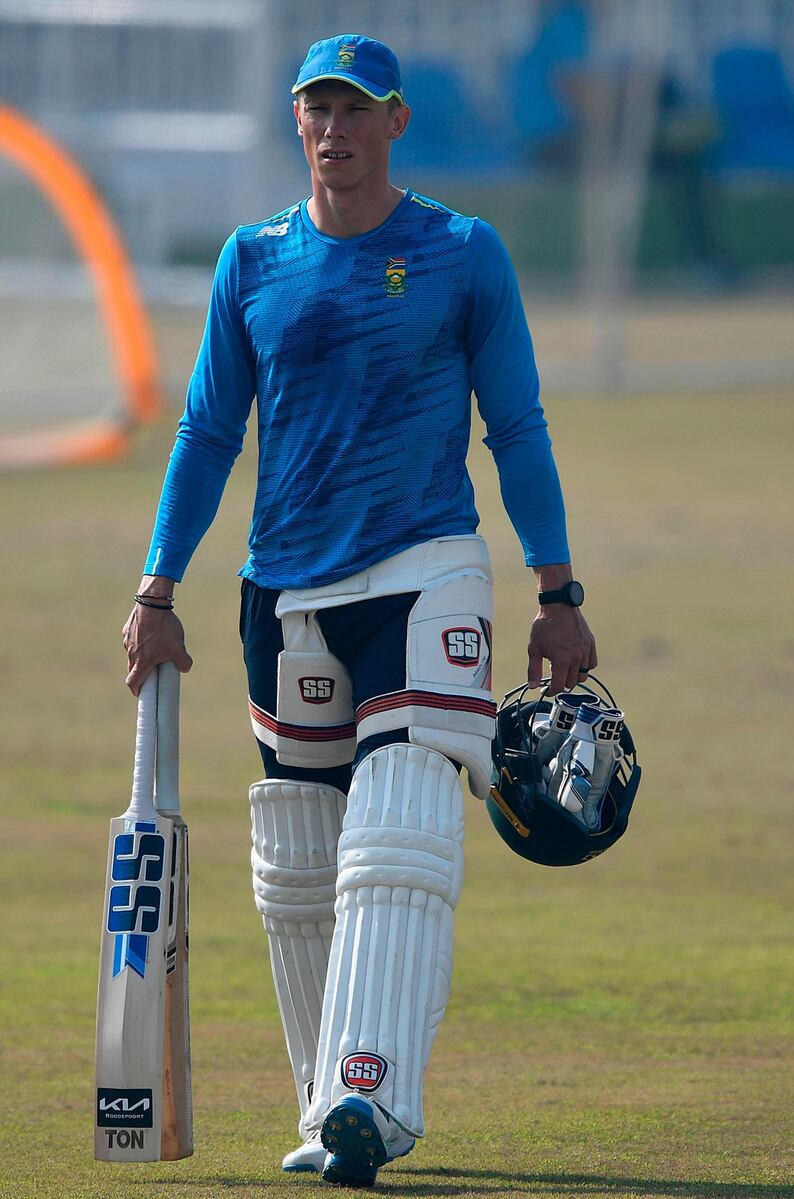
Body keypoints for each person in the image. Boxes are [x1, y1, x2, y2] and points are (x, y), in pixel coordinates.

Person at [123, 34, 597, 1187]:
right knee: (296, 859)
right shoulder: (252, 260)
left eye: (355, 110)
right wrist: (157, 587)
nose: (331, 129)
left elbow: (516, 426)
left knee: (395, 829)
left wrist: (555, 589)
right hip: (284, 589)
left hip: (426, 566)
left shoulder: (457, 251)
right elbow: (204, 435)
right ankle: (325, 1107)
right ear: (297, 124)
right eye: (314, 109)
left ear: (395, 124)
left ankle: (370, 1100)